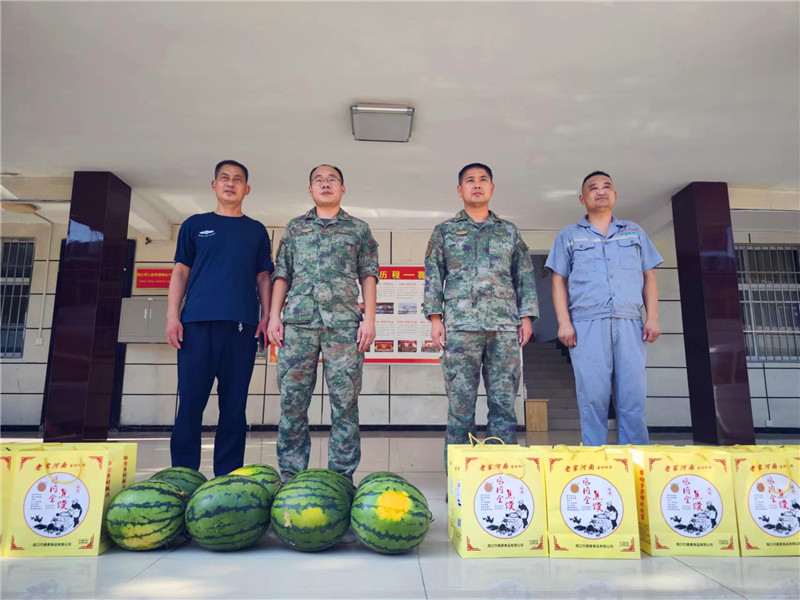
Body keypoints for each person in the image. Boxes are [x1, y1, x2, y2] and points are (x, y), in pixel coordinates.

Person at [267, 164, 378, 483]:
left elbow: (368, 274)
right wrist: (274, 316)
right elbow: (282, 274)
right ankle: (290, 477)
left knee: (345, 404)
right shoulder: (295, 228)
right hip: (298, 324)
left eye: (332, 180)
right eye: (319, 180)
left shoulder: (358, 229)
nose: (325, 184)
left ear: (343, 189)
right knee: (292, 402)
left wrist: (369, 320)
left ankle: (341, 479)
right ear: (310, 189)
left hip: (344, 325)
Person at [424, 163, 538, 465]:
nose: (477, 184)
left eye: (483, 179)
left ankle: (503, 476)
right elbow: (434, 276)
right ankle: (460, 479)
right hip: (460, 329)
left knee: (504, 405)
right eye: (470, 180)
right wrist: (435, 319)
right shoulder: (444, 231)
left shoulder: (508, 231)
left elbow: (524, 275)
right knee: (460, 408)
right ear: (459, 189)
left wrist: (526, 317)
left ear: (492, 188)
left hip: (504, 328)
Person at [165, 160, 273, 476]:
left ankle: (227, 477)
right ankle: (183, 475)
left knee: (234, 407)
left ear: (246, 189)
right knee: (190, 404)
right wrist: (172, 316)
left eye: (237, 179)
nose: (230, 183)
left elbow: (263, 277)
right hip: (196, 326)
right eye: (224, 178)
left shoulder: (255, 230)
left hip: (242, 327)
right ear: (214, 185)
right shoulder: (194, 225)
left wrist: (267, 316)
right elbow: (180, 272)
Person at [545, 171, 662, 446]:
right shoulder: (569, 236)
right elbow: (558, 280)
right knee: (592, 397)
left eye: (607, 186)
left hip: (629, 322)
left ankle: (635, 460)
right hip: (587, 324)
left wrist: (653, 318)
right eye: (593, 188)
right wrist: (564, 322)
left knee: (633, 396)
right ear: (582, 199)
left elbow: (649, 276)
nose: (601, 191)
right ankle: (596, 461)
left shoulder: (634, 232)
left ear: (615, 195)